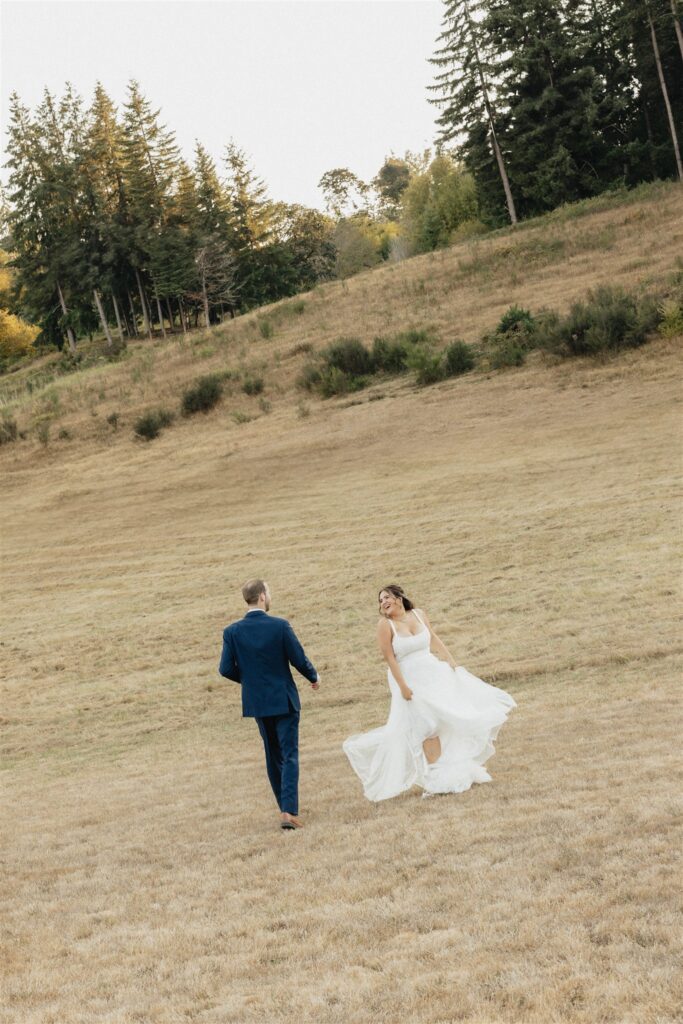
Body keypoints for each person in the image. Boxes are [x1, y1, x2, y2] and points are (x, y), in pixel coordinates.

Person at [343, 584, 515, 802]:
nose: (383, 602)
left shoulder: (419, 614)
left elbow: (433, 638)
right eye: (380, 600)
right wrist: (403, 686)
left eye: (386, 597)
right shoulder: (385, 625)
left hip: (434, 674)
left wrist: (450, 660)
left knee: (449, 720)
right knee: (427, 726)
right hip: (409, 680)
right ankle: (437, 778)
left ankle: (454, 769)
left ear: (398, 597)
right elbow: (389, 658)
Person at [219, 579, 319, 830]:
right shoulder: (280, 626)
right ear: (262, 596)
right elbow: (298, 658)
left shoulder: (232, 631)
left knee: (272, 755)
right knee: (289, 754)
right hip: (283, 699)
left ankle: (284, 808)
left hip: (258, 702)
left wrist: (250, 681)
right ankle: (288, 811)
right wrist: (313, 676)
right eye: (269, 592)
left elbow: (224, 669)